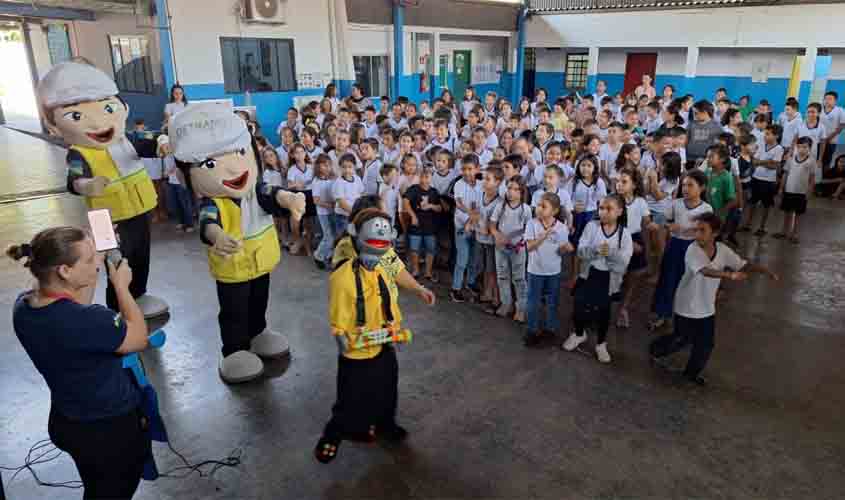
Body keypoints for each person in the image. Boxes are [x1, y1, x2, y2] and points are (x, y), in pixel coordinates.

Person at [9, 226, 152, 498]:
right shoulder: (92, 322)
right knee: (113, 490)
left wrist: (91, 263)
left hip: (69, 420)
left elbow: (77, 305)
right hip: (108, 428)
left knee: (97, 484)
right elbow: (138, 338)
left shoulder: (23, 308)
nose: (95, 264)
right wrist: (121, 287)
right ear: (64, 270)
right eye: (88, 261)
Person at [168, 103, 303, 383]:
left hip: (260, 262)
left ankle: (258, 332)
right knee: (234, 310)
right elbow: (208, 223)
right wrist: (217, 237)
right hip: (232, 267)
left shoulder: (257, 189)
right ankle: (234, 350)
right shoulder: (212, 200)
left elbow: (272, 194)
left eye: (240, 152)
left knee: (259, 301)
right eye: (210, 164)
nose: (234, 167)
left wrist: (290, 199)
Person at [37, 61, 169, 319]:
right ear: (54, 126)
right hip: (104, 219)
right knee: (116, 263)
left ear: (123, 107)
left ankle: (138, 294)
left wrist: (163, 142)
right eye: (76, 115)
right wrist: (88, 184)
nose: (99, 121)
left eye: (108, 108)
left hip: (139, 208)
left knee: (141, 255)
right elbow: (73, 181)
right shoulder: (79, 152)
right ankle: (117, 308)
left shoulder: (126, 139)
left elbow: (150, 143)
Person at [314, 209, 418, 464]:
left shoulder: (383, 269)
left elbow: (389, 301)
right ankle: (333, 435)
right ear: (355, 235)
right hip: (356, 351)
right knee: (350, 399)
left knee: (386, 389)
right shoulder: (342, 277)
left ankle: (385, 425)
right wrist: (341, 337)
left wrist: (394, 327)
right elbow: (338, 316)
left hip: (382, 345)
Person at [650, 213, 778, 385]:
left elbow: (742, 264)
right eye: (696, 230)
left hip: (706, 307)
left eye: (702, 231)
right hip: (686, 304)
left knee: (705, 344)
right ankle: (656, 349)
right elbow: (705, 270)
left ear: (715, 233)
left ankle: (691, 373)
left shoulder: (723, 250)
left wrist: (764, 270)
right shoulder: (692, 249)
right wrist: (729, 275)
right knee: (682, 339)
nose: (697, 235)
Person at [563, 194, 632, 362]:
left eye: (609, 209)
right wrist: (595, 251)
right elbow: (581, 251)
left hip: (608, 280)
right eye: (601, 208)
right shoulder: (591, 227)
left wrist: (610, 254)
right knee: (579, 305)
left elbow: (623, 263)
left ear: (620, 212)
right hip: (588, 275)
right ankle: (579, 334)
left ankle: (601, 343)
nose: (604, 212)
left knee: (603, 312)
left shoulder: (625, 234)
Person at [649, 170, 713, 331]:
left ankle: (685, 317)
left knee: (689, 283)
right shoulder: (676, 204)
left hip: (693, 249)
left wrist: (684, 229)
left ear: (702, 187)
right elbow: (664, 221)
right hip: (675, 247)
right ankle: (663, 314)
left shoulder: (706, 209)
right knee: (668, 280)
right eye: (683, 184)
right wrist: (662, 228)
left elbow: (706, 233)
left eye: (690, 185)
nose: (685, 188)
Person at [523, 192, 572, 347]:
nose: (539, 209)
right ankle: (532, 330)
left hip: (553, 272)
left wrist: (566, 248)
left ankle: (550, 329)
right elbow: (529, 247)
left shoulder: (562, 228)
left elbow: (561, 250)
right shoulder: (532, 224)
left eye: (543, 206)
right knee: (533, 302)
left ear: (555, 211)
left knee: (552, 301)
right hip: (535, 271)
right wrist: (543, 236)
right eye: (538, 205)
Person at [490, 176, 532, 323]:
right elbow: (492, 225)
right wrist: (497, 235)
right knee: (502, 276)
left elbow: (529, 230)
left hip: (518, 250)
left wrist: (519, 242)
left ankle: (521, 308)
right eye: (509, 188)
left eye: (516, 189)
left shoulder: (526, 209)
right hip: (501, 248)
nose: (511, 192)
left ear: (522, 192)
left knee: (519, 279)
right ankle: (506, 303)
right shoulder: (500, 206)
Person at [615, 168, 650, 328]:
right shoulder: (613, 201)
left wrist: (645, 246)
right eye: (618, 181)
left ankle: (623, 308)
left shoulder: (640, 202)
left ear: (634, 185)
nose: (619, 185)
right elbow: (607, 223)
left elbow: (645, 224)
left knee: (632, 276)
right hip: (616, 238)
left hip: (635, 239)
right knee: (613, 275)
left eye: (624, 182)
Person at [450, 155, 483, 303]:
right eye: (464, 169)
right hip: (461, 227)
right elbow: (459, 203)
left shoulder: (482, 184)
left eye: (470, 169)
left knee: (474, 259)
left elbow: (480, 205)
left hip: (477, 227)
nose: (467, 172)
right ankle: (456, 288)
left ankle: (470, 283)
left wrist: (473, 216)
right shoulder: (459, 184)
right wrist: (470, 214)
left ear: (477, 169)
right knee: (461, 259)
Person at [742, 124, 783, 236]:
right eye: (765, 133)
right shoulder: (760, 145)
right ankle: (748, 224)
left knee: (766, 205)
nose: (765, 136)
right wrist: (767, 162)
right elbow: (754, 160)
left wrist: (761, 162)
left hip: (769, 181)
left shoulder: (779, 149)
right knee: (753, 203)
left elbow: (775, 166)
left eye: (768, 134)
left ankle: (762, 227)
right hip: (756, 177)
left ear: (776, 136)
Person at [403, 167, 442, 281]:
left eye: (427, 177)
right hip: (415, 225)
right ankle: (416, 270)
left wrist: (430, 206)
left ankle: (428, 272)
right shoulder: (413, 189)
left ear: (431, 178)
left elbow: (440, 208)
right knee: (414, 249)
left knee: (431, 249)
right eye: (421, 176)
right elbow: (405, 201)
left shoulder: (434, 192)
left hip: (430, 226)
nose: (424, 180)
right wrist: (413, 215)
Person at [775, 136, 816, 244]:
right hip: (789, 190)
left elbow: (812, 179)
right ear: (797, 147)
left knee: (798, 215)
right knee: (787, 212)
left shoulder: (811, 162)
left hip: (801, 192)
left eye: (805, 147)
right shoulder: (791, 158)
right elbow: (785, 174)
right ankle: (784, 232)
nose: (802, 149)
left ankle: (795, 234)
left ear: (810, 148)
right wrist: (781, 188)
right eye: (800, 147)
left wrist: (809, 192)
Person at [312, 155, 336, 269]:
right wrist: (330, 205)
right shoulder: (317, 181)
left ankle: (328, 255)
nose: (327, 167)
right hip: (323, 213)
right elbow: (316, 200)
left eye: (329, 165)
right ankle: (319, 256)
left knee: (333, 235)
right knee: (328, 236)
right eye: (324, 165)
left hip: (332, 212)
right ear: (318, 166)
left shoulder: (332, 178)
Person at [686, 100, 723, 169]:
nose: (694, 115)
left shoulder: (716, 126)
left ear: (705, 112)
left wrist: (710, 158)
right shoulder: (691, 124)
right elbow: (686, 139)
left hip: (706, 160)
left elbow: (719, 146)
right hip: (689, 158)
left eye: (696, 113)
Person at [820, 91, 845, 169]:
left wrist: (829, 138)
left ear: (835, 100)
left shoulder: (840, 110)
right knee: (816, 159)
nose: (827, 101)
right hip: (818, 139)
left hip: (831, 141)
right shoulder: (820, 109)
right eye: (826, 99)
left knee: (826, 160)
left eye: (830, 99)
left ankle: (824, 177)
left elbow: (841, 126)